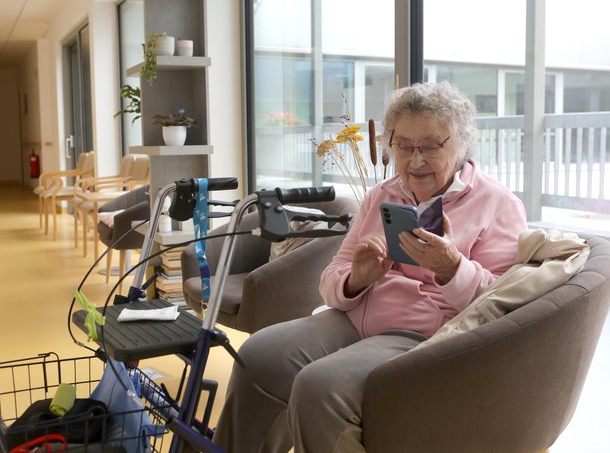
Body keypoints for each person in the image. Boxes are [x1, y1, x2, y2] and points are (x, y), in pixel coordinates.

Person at [212, 81, 528, 453]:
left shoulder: (497, 204)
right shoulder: (382, 195)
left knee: (319, 386)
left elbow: (500, 306)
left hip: (423, 336)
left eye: (430, 146)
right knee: (257, 356)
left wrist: (451, 268)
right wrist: (356, 279)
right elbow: (332, 277)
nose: (415, 159)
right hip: (351, 319)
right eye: (404, 145)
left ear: (460, 144)